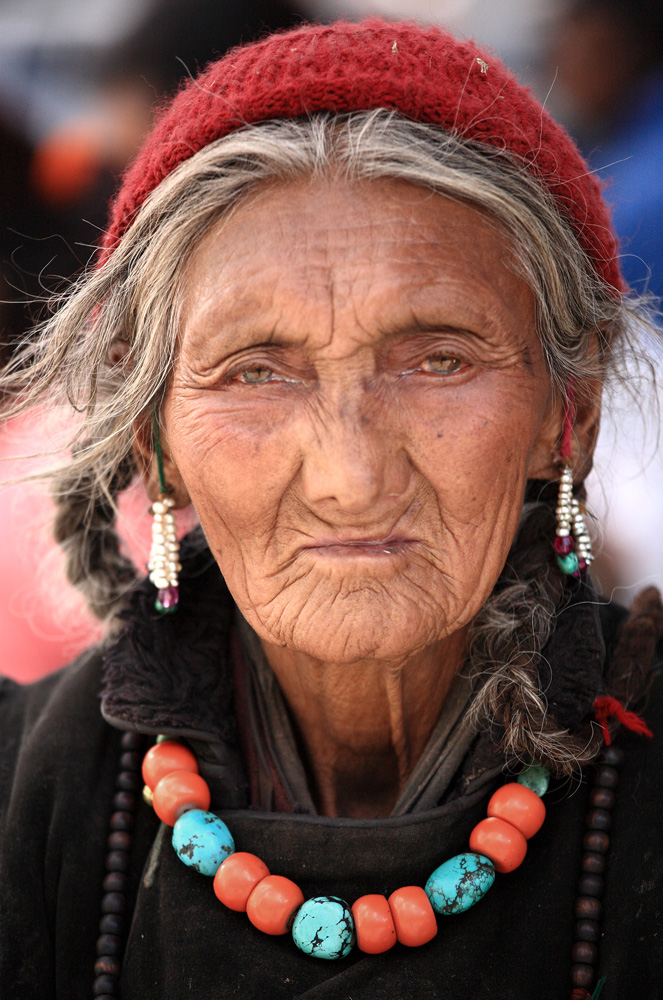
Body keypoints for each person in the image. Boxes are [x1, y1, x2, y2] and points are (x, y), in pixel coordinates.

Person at [0, 19, 661, 1000]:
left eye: (440, 358)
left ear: (569, 414)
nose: (349, 476)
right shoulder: (29, 800)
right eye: (257, 371)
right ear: (154, 440)